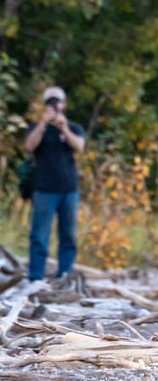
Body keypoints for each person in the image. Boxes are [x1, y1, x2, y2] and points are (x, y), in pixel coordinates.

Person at [23, 86, 86, 281]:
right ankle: (35, 277)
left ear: (64, 104)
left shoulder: (73, 127)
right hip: (44, 189)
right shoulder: (36, 127)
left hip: (69, 189)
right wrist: (43, 123)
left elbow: (79, 147)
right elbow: (28, 146)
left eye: (57, 102)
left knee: (68, 235)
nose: (54, 106)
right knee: (39, 236)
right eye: (50, 102)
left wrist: (63, 128)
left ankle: (65, 274)